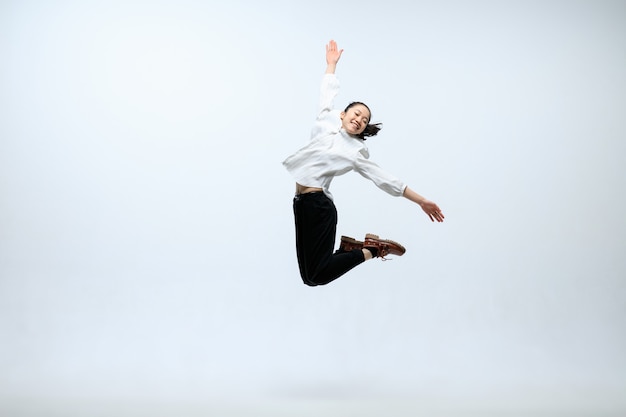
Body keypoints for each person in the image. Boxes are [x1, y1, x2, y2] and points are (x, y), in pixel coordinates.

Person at [283, 40, 444, 287]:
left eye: (364, 119)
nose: (359, 119)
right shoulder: (325, 119)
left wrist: (421, 200)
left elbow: (385, 179)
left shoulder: (355, 151)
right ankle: (351, 248)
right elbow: (327, 91)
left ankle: (372, 250)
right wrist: (331, 65)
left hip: (319, 207)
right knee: (309, 278)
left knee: (318, 275)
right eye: (356, 113)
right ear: (343, 114)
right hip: (301, 204)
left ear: (363, 128)